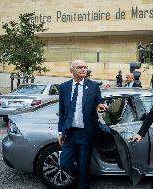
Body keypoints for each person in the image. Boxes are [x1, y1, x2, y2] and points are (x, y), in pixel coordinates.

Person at [58, 60, 107, 189]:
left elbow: (99, 102)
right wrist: (60, 131)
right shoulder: (64, 87)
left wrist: (101, 106)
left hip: (86, 133)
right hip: (70, 132)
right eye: (80, 67)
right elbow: (62, 111)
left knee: (84, 165)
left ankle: (83, 183)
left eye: (85, 67)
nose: (83, 69)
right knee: (65, 164)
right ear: (72, 71)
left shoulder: (93, 86)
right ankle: (83, 178)